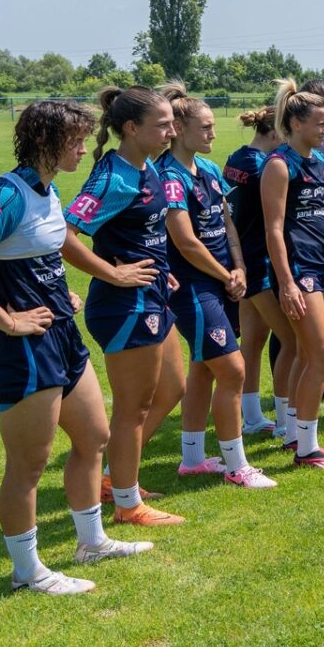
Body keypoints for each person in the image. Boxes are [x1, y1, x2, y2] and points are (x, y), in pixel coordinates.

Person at [0, 99, 153, 593]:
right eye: (75, 140)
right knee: (29, 465)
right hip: (23, 349)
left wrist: (60, 292)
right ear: (44, 141)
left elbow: (49, 250)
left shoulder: (48, 189)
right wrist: (9, 321)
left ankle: (91, 542)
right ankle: (27, 571)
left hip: (62, 337)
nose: (83, 148)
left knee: (94, 436)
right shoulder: (5, 194)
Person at [66, 86, 187, 525]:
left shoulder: (147, 165)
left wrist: (160, 268)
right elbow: (64, 234)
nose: (172, 131)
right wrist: (113, 274)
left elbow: (140, 231)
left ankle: (115, 479)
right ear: (132, 128)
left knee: (172, 389)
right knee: (132, 408)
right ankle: (127, 504)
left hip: (152, 294)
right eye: (163, 125)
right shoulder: (113, 177)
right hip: (124, 305)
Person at [158, 95, 275, 488]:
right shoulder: (169, 177)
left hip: (223, 279)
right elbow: (186, 243)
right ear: (178, 130)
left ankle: (192, 460)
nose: (213, 133)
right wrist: (227, 274)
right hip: (193, 287)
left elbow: (227, 225)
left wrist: (239, 267)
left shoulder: (207, 168)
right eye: (205, 127)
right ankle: (237, 466)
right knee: (233, 370)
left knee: (203, 368)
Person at [261, 79, 324, 470]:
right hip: (299, 270)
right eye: (320, 123)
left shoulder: (320, 160)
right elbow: (273, 229)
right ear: (296, 124)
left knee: (306, 353)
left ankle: (294, 435)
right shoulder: (279, 165)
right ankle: (307, 449)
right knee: (323, 355)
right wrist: (285, 282)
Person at [223, 105, 291, 439]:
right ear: (276, 132)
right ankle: (286, 422)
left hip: (241, 259)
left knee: (253, 340)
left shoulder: (236, 157)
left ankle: (251, 417)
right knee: (291, 340)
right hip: (257, 263)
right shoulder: (264, 166)